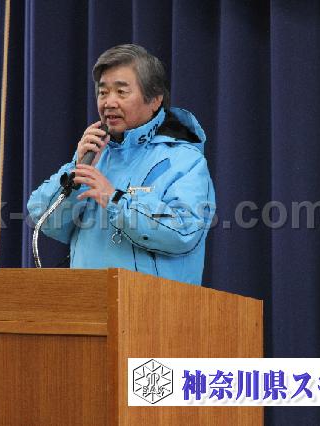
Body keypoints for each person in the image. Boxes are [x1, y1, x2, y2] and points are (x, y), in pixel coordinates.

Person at [27, 44, 215, 285]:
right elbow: (45, 221)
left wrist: (115, 199)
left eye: (121, 92)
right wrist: (76, 168)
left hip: (153, 304)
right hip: (88, 301)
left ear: (155, 100)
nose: (109, 102)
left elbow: (184, 231)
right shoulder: (94, 156)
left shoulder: (184, 160)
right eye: (103, 93)